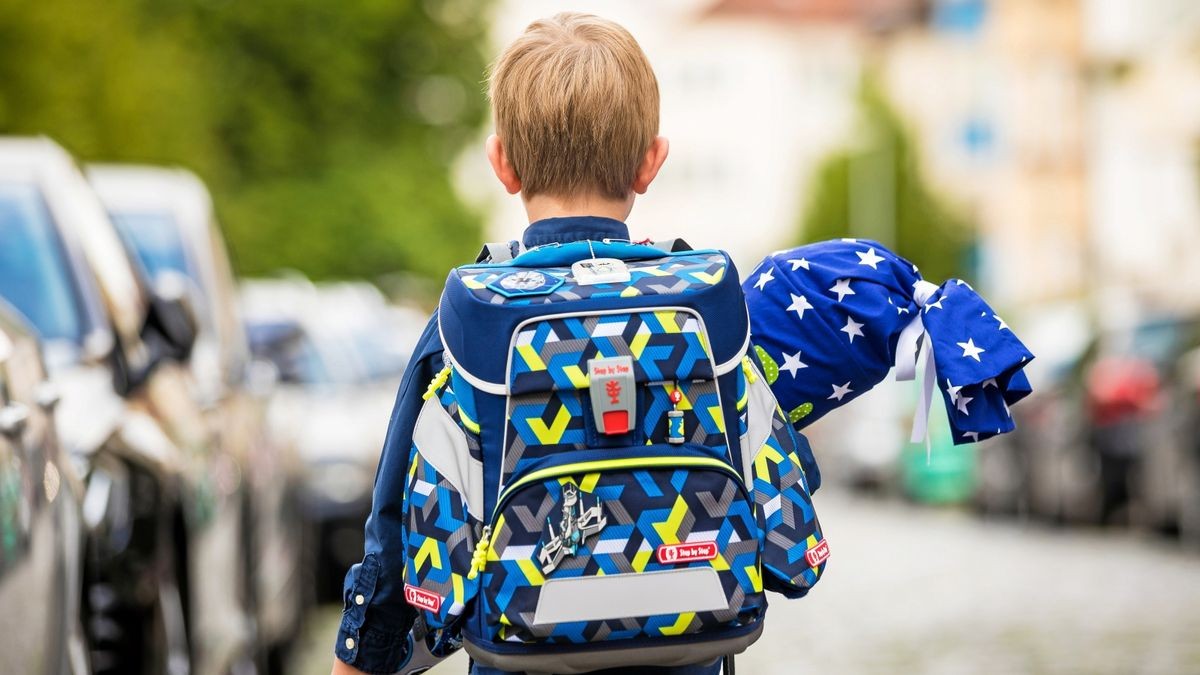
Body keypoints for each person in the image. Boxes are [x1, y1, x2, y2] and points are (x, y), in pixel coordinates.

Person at [330, 12, 723, 675]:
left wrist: (358, 656)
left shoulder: (474, 317)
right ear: (652, 162)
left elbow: (395, 528)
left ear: (502, 163)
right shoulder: (702, 306)